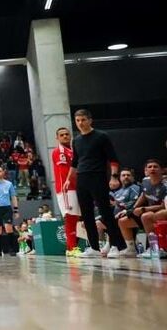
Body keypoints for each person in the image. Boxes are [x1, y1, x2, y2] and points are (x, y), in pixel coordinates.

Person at [63, 109, 129, 258]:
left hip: (98, 177)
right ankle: (94, 248)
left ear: (90, 120)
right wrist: (68, 179)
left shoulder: (101, 136)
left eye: (83, 120)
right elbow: (75, 162)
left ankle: (118, 246)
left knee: (105, 212)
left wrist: (114, 177)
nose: (80, 123)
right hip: (81, 178)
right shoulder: (76, 140)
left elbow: (113, 159)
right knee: (86, 214)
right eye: (77, 120)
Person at [118, 159, 167, 258]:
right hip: (148, 210)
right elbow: (144, 195)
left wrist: (144, 209)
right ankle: (131, 249)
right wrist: (132, 208)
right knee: (122, 221)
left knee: (146, 216)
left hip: (161, 210)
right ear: (146, 170)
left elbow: (163, 206)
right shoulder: (145, 181)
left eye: (155, 166)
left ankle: (155, 248)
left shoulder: (165, 185)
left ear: (162, 170)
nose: (152, 169)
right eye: (150, 167)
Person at [50, 127, 81, 256]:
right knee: (70, 218)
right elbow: (64, 172)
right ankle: (72, 249)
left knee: (76, 218)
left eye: (67, 134)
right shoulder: (60, 151)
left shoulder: (72, 151)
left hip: (76, 188)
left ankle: (71, 248)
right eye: (62, 135)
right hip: (67, 190)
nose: (65, 136)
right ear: (57, 138)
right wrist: (67, 187)